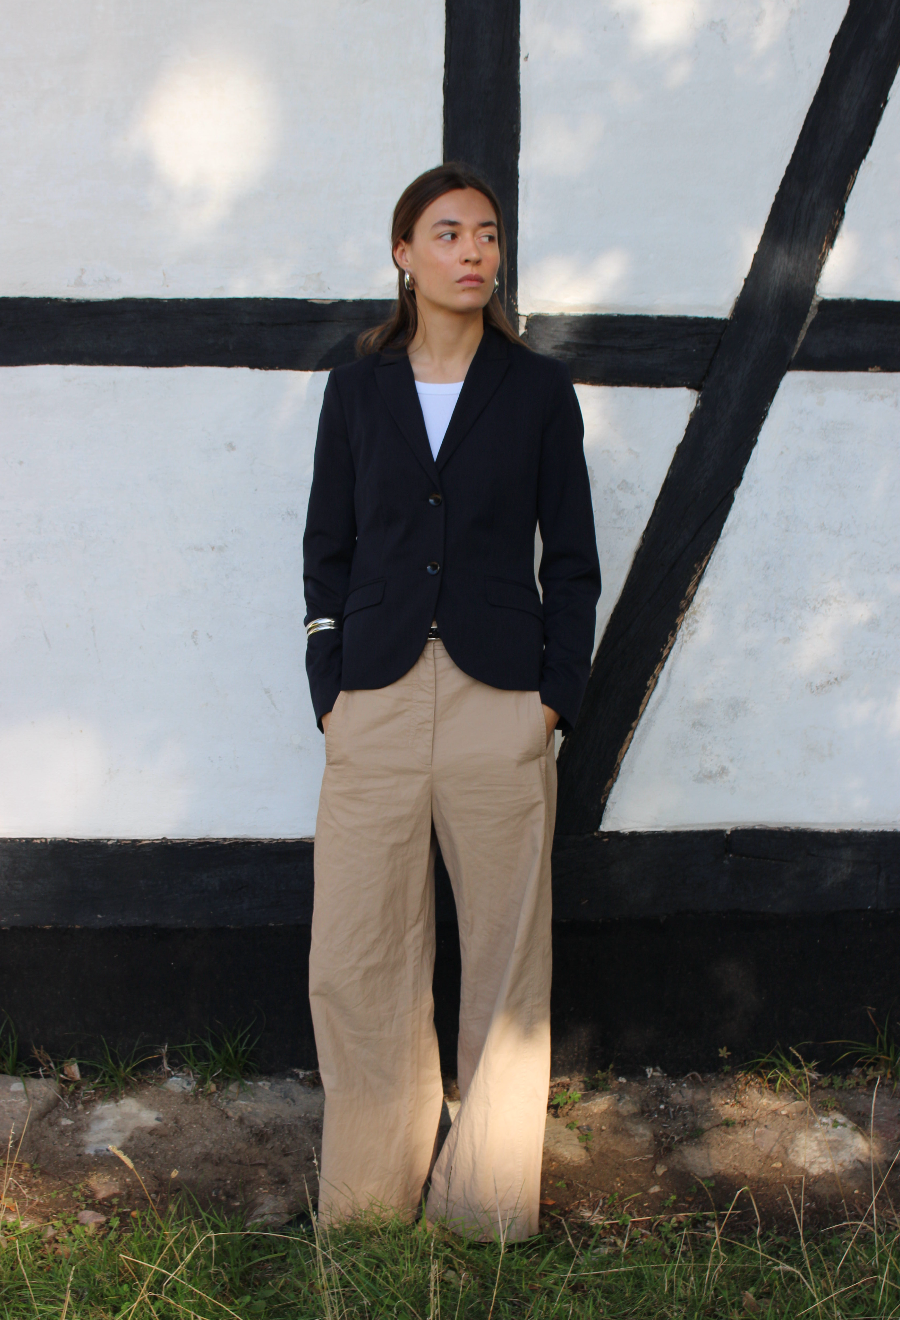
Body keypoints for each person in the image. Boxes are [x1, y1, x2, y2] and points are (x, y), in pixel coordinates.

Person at [303, 162, 601, 1240]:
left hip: (501, 697)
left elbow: (573, 559)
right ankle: (367, 1206)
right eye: (447, 232)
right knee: (358, 955)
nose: (473, 251)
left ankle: (484, 1210)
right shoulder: (357, 391)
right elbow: (326, 553)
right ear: (403, 254)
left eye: (487, 234)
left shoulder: (539, 391)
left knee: (507, 964)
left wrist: (552, 701)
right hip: (375, 698)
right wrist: (329, 690)